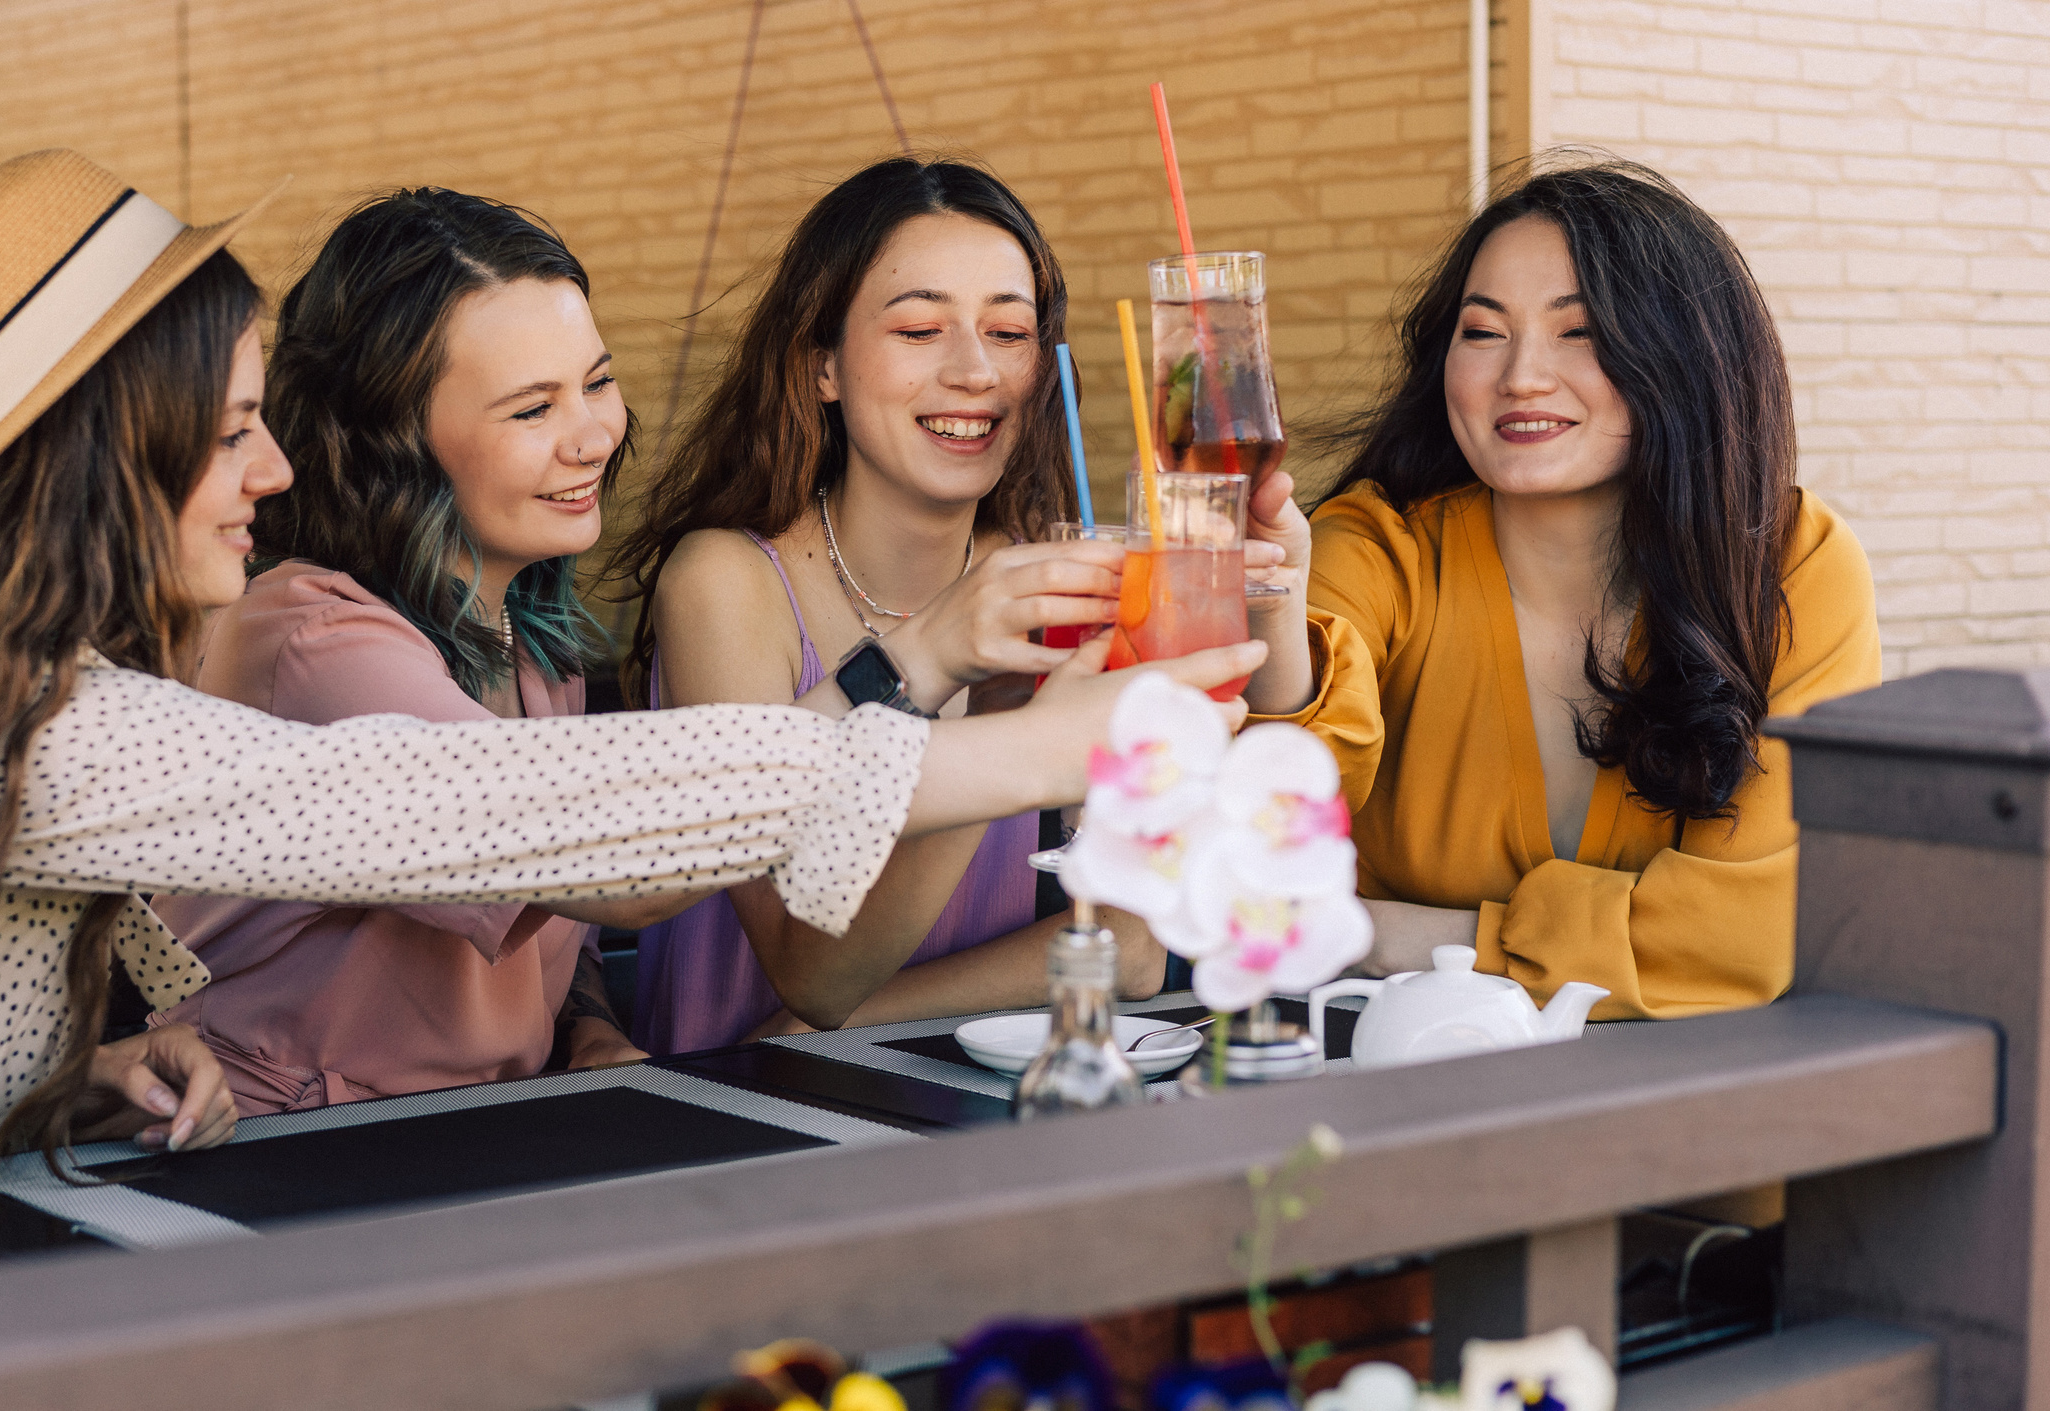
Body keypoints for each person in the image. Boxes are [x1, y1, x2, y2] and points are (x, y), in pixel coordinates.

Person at [0, 151, 1262, 1337]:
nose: (267, 473)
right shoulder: (36, 719)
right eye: (232, 431)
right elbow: (494, 814)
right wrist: (1047, 740)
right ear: (107, 460)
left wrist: (48, 1072)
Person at [616, 157, 1356, 1052]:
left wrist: (1272, 597)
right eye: (921, 328)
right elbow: (813, 976)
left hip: (983, 1103)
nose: (974, 371)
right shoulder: (726, 583)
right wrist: (1000, 722)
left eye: (1008, 332)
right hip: (739, 1126)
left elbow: (1132, 943)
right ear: (823, 367)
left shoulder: (1057, 574)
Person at [153, 189, 693, 1109]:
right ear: (393, 446)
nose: (595, 436)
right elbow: (613, 866)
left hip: (461, 1137)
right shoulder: (314, 641)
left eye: (597, 382)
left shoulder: (529, 633)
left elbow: (570, 922)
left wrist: (585, 1022)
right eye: (532, 409)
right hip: (278, 1159)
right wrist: (907, 674)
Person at [1308, 156, 1882, 1018]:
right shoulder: (1375, 545)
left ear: (1680, 358)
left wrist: (1394, 935)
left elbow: (1753, 936)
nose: (1521, 376)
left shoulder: (1793, 565)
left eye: (1578, 331)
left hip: (1695, 1110)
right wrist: (1271, 617)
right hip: (1402, 1093)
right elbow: (1274, 793)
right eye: (1483, 330)